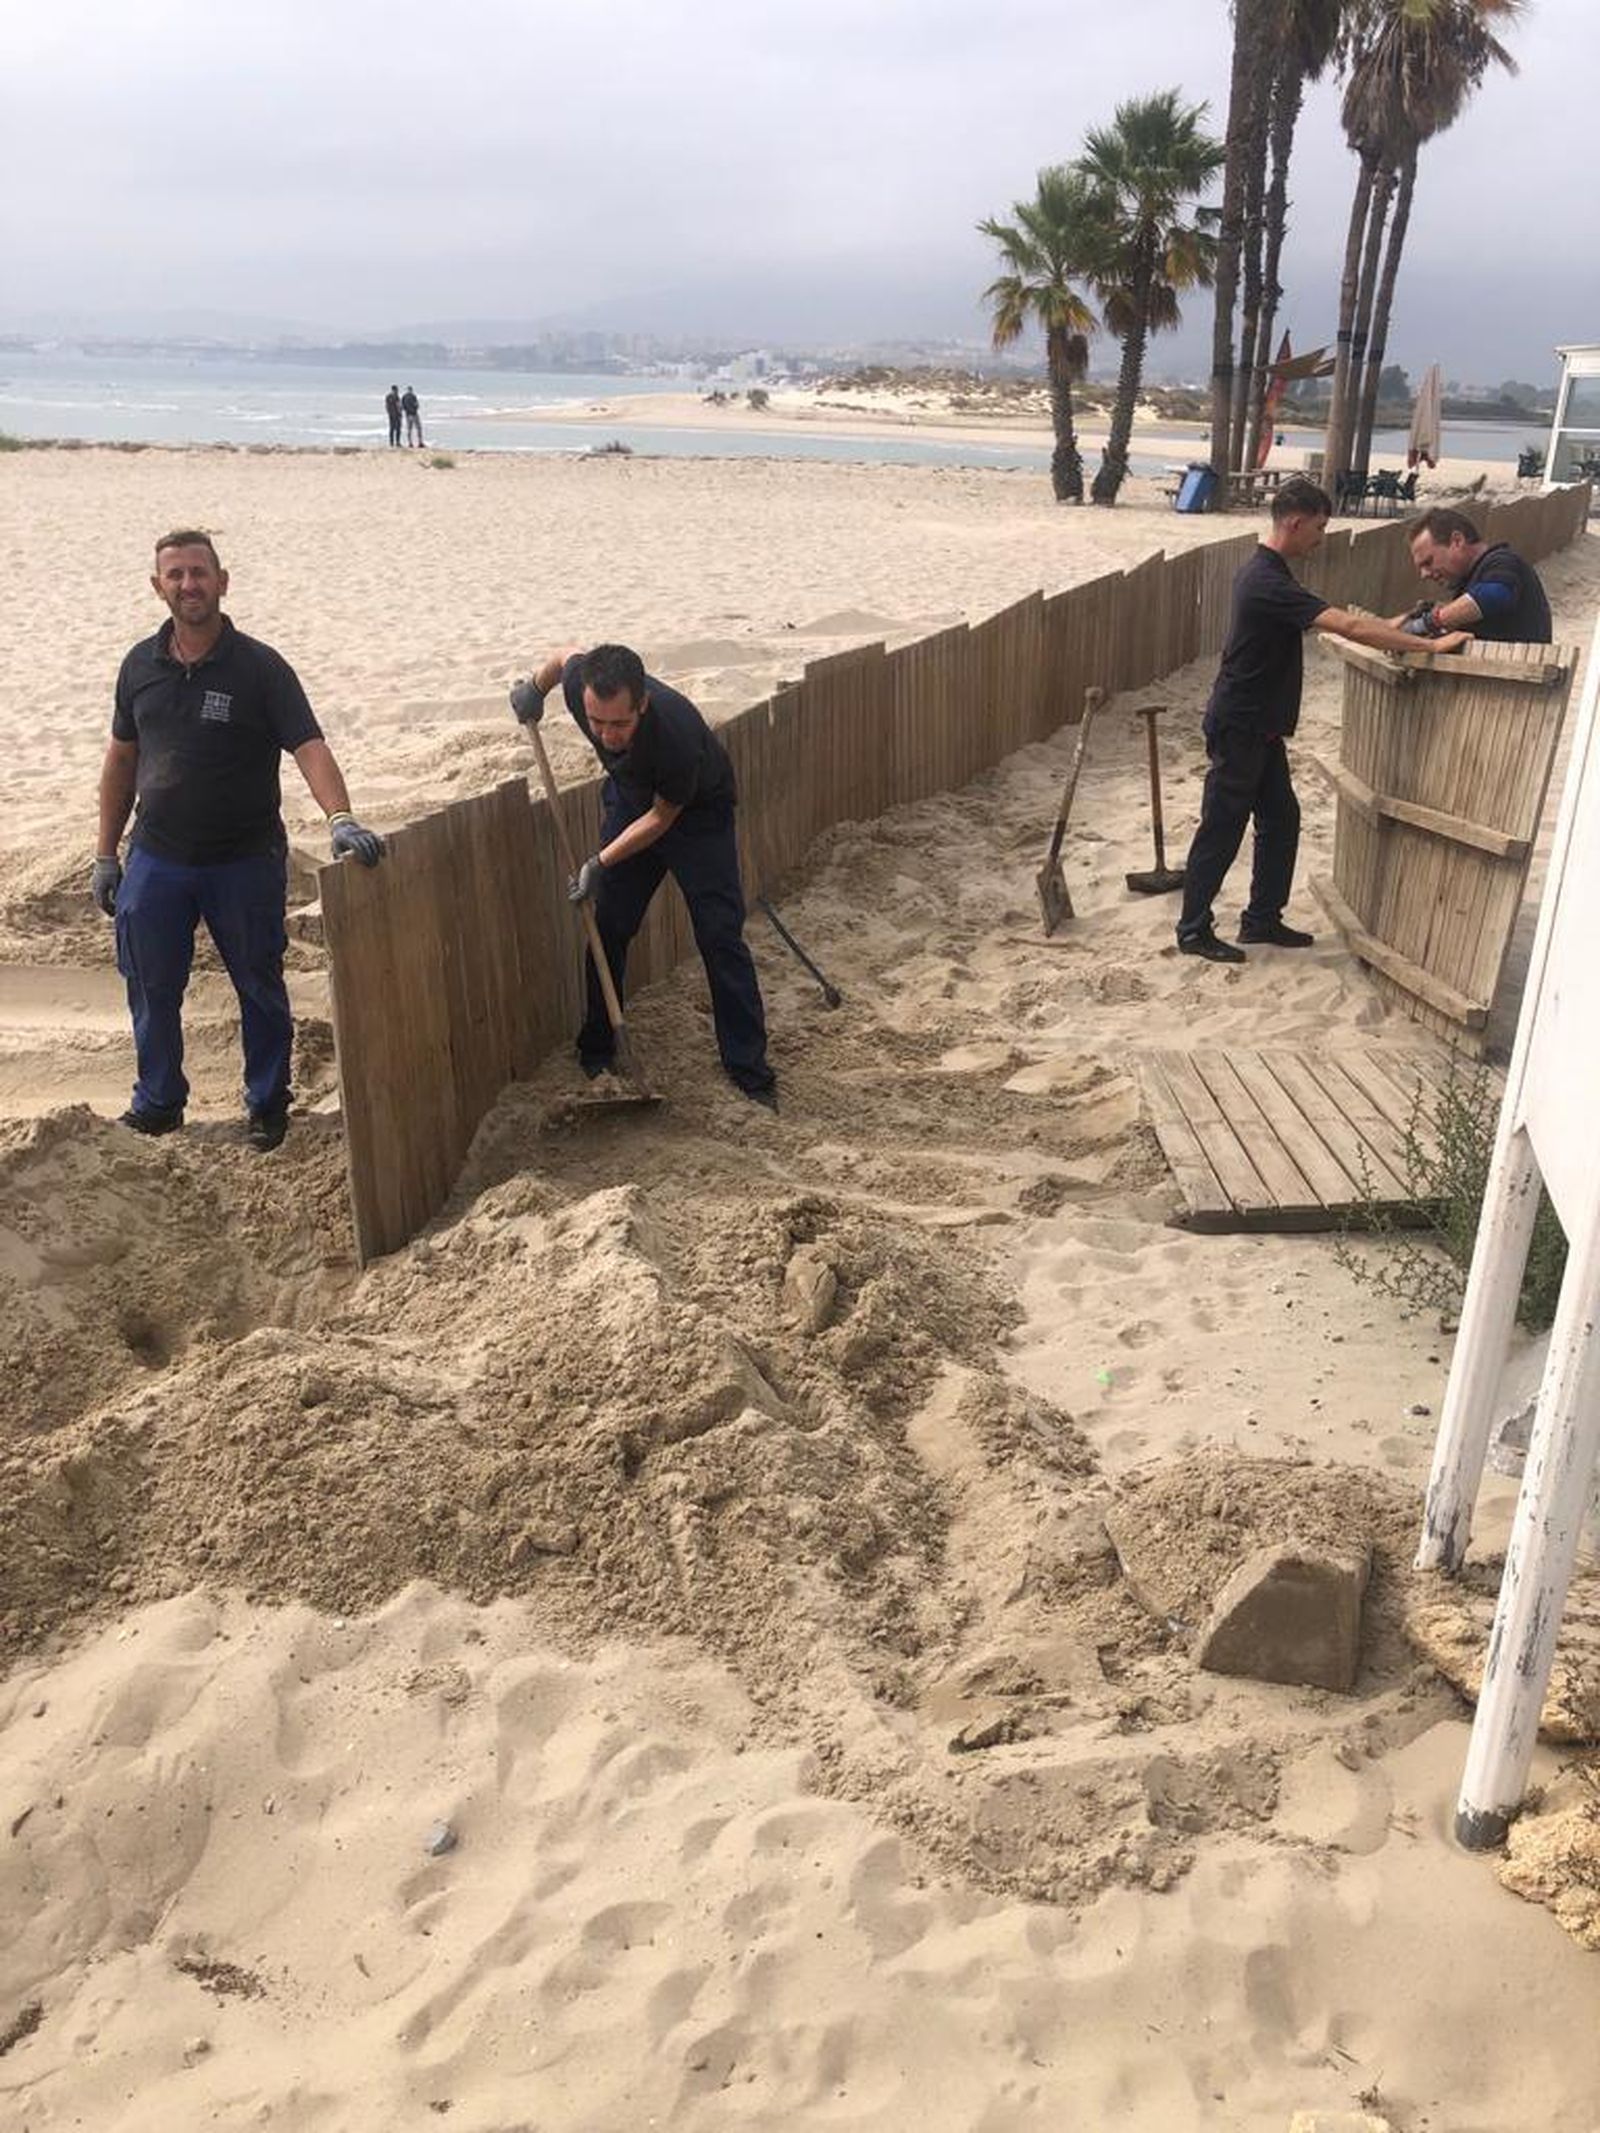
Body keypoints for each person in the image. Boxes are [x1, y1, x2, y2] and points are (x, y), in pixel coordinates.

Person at [93, 530, 386, 1147]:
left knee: (258, 982)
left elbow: (310, 747)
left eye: (199, 572)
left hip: (245, 859)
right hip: (157, 856)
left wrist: (340, 818)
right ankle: (159, 1102)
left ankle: (268, 1102)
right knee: (150, 984)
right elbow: (121, 761)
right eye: (174, 575)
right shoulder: (138, 666)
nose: (188, 585)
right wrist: (104, 854)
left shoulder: (261, 667)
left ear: (222, 581)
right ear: (157, 587)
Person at [1176, 477, 1471, 965]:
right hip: (1241, 723)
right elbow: (1348, 626)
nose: (1321, 536)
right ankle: (1192, 930)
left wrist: (1399, 623)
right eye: (1319, 526)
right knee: (1223, 826)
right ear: (1294, 521)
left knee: (1281, 819)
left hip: (1261, 724)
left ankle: (1261, 919)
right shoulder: (1266, 581)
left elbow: (1337, 621)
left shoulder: (1272, 573)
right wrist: (1431, 645)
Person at [510, 643, 777, 1107]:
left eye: (619, 724)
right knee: (608, 924)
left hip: (695, 818)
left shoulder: (674, 733)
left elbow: (661, 821)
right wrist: (534, 690)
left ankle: (750, 1072)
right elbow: (564, 657)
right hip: (632, 800)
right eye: (596, 723)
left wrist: (599, 862)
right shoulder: (582, 686)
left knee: (719, 936)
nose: (607, 735)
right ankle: (596, 1049)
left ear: (643, 703)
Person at [1394, 507, 1553, 645]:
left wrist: (1427, 623)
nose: (1424, 574)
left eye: (1428, 562)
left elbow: (1495, 595)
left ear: (1457, 541)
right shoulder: (1471, 580)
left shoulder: (1502, 561)